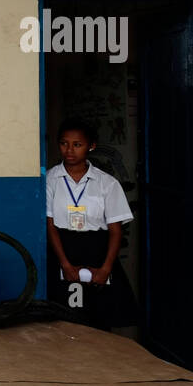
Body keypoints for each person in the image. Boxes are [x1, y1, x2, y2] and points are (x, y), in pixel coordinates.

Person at [45, 118, 138, 330]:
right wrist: (65, 265)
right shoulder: (50, 180)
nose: (69, 150)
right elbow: (50, 225)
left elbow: (115, 231)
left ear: (91, 146)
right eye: (64, 143)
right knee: (64, 317)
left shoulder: (107, 183)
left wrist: (105, 268)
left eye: (77, 145)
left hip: (98, 250)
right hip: (63, 249)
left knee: (101, 318)